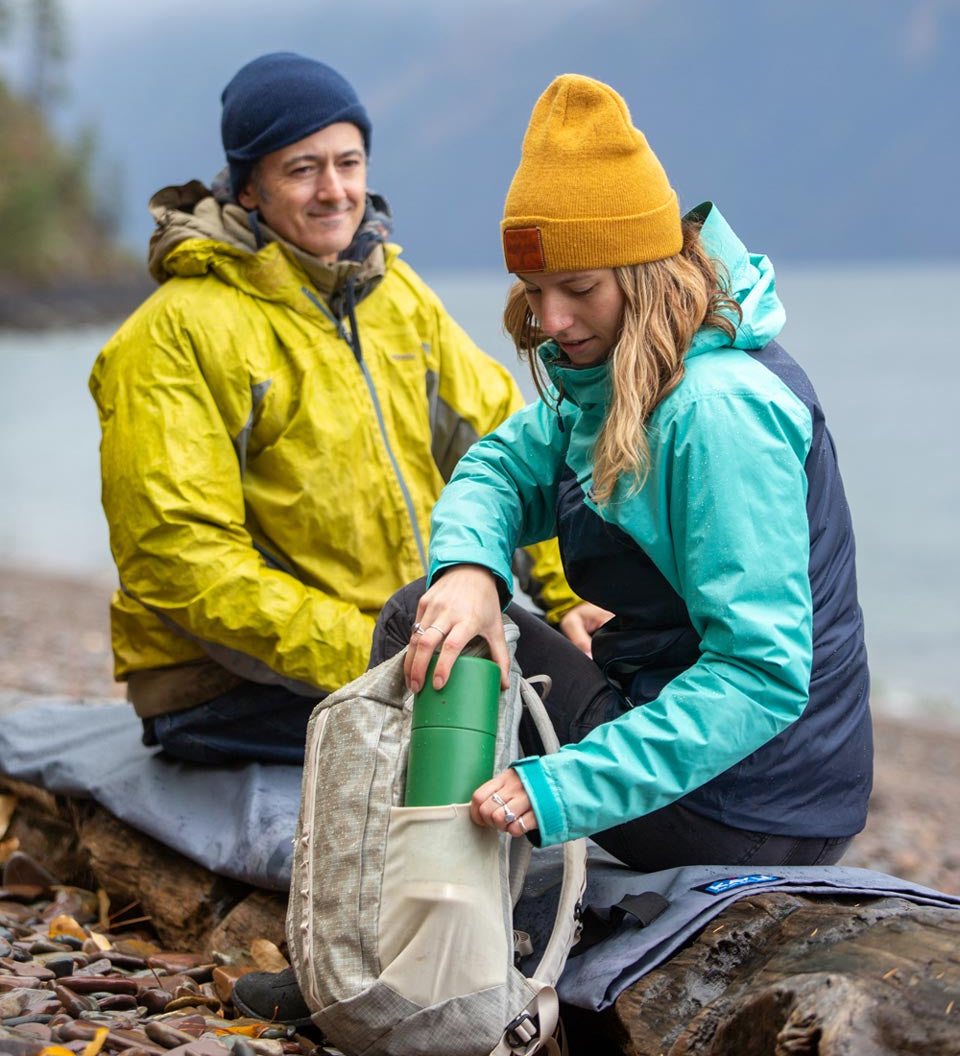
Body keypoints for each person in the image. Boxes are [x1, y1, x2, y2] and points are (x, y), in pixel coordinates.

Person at [396, 73, 873, 870]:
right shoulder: (620, 369)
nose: (551, 321)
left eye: (578, 289)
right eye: (535, 290)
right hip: (738, 775)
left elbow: (760, 674)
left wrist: (563, 787)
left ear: (644, 272)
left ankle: (421, 945)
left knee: (418, 629)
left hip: (751, 800)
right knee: (450, 608)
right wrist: (474, 568)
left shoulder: (716, 411)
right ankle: (428, 906)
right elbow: (502, 469)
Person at [88, 53, 598, 768]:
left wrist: (569, 593)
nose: (335, 191)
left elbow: (510, 450)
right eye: (302, 168)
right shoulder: (174, 334)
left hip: (398, 642)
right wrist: (379, 649)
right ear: (248, 188)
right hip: (225, 685)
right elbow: (178, 559)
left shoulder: (397, 297)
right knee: (519, 748)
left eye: (349, 162)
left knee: (597, 704)